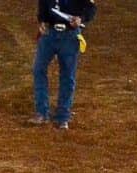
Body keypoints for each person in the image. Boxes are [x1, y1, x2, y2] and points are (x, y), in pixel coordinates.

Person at [29, 0, 97, 131]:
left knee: (67, 76)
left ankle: (63, 116)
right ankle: (42, 112)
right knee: (39, 69)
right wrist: (42, 20)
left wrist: (81, 19)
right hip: (49, 33)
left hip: (70, 35)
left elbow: (91, 8)